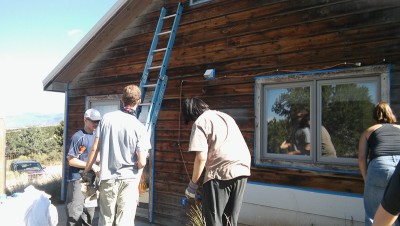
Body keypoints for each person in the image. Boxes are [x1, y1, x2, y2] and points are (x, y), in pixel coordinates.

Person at [84, 84, 151, 226]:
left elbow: (94, 148)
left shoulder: (106, 119)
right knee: (124, 221)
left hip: (107, 178)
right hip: (129, 179)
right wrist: (138, 166)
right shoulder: (140, 127)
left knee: (106, 219)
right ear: (139, 102)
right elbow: (142, 162)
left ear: (122, 99)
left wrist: (86, 172)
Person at [183, 97, 251, 226]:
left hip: (220, 172)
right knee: (230, 220)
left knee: (214, 221)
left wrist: (192, 186)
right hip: (242, 169)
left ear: (191, 113)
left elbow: (201, 158)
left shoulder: (200, 122)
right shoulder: (225, 116)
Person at [358, 102, 400, 226]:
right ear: (392, 114)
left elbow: (361, 159)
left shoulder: (368, 131)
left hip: (379, 167)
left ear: (374, 116)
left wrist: (368, 180)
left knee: (374, 216)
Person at [66, 108, 101, 226]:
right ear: (85, 119)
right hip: (78, 178)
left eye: (98, 122)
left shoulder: (96, 136)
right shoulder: (78, 137)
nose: (96, 124)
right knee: (75, 212)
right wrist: (92, 165)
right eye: (93, 121)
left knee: (89, 211)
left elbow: (94, 156)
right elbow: (71, 160)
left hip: (90, 179)